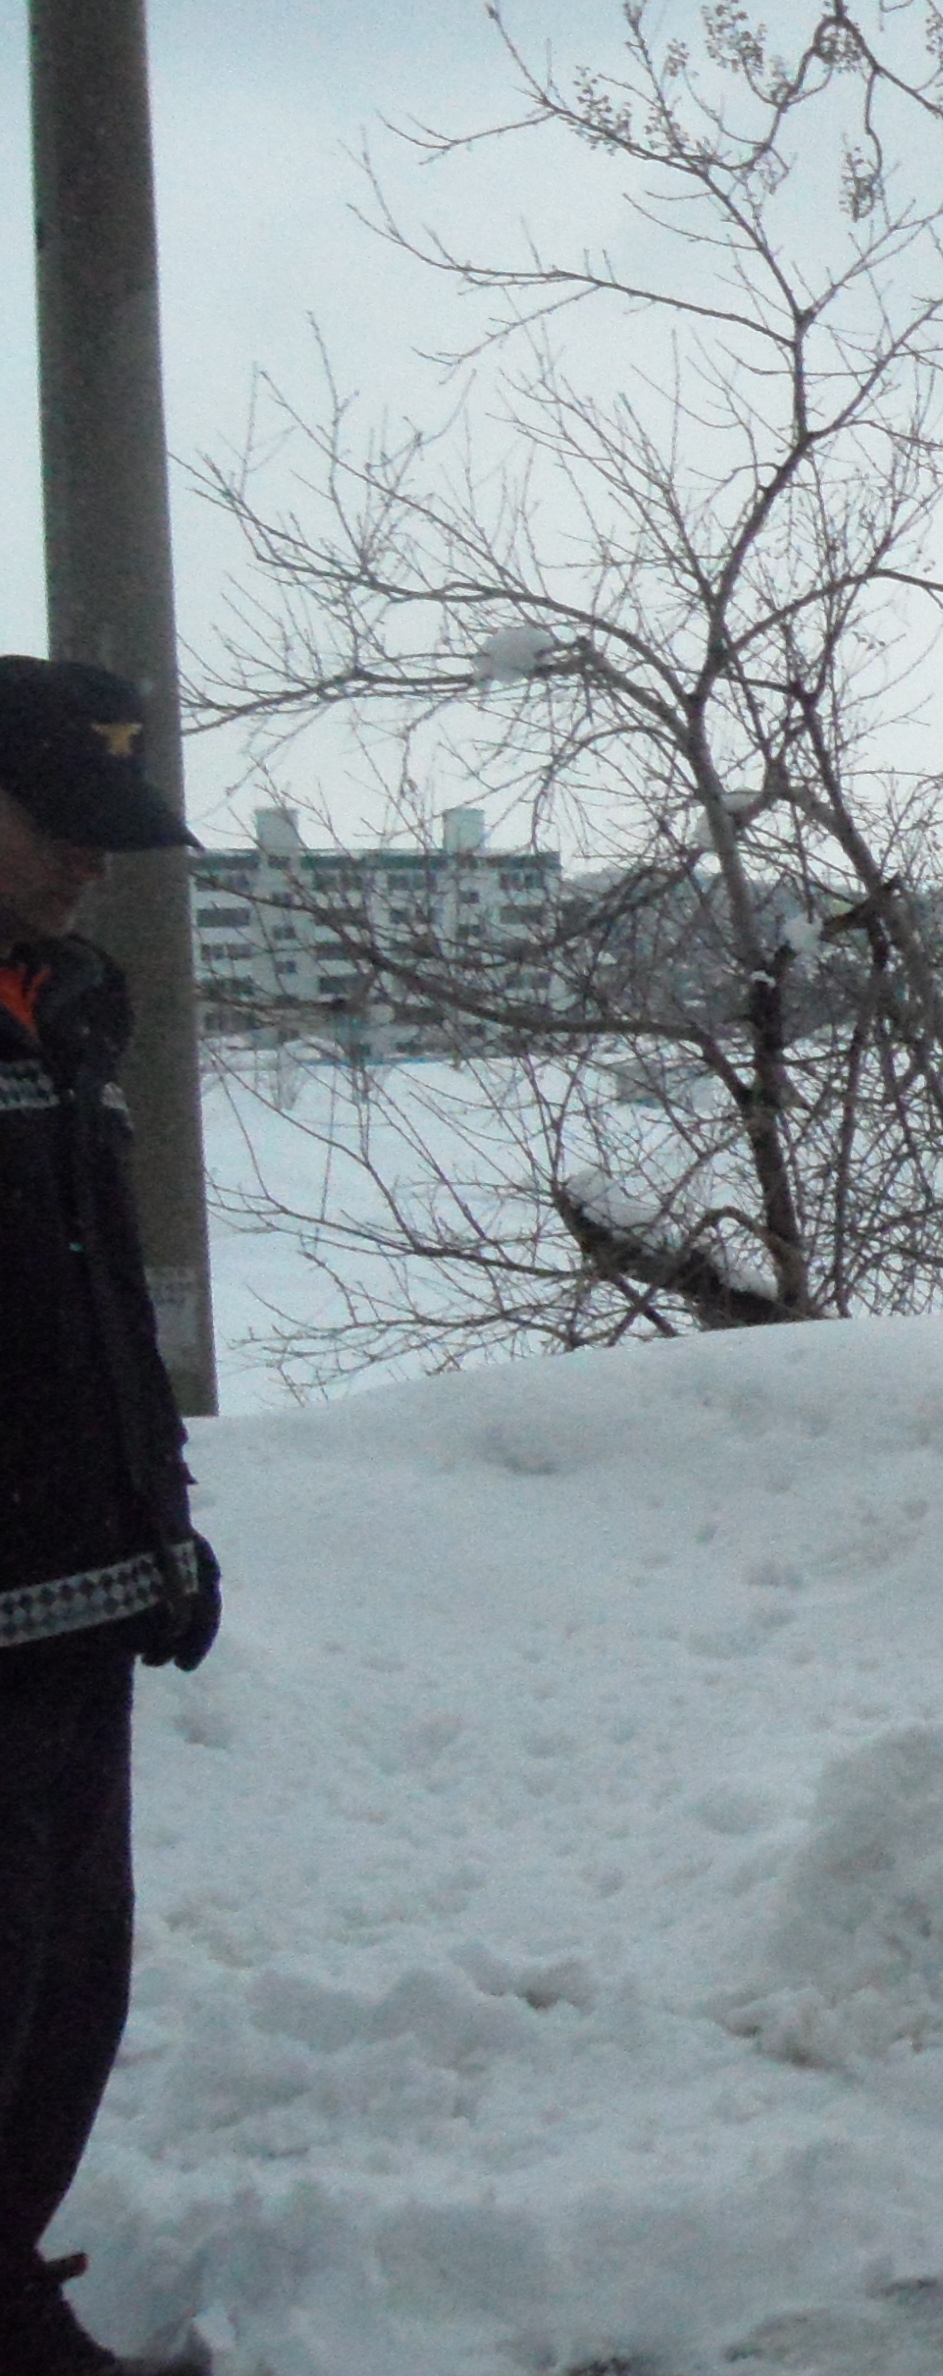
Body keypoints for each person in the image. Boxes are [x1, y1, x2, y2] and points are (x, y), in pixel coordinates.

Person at [0, 657, 221, 2376]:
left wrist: (163, 1521)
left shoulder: (71, 1004)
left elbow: (94, 1311)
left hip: (78, 1601)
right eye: (60, 823)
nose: (92, 861)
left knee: (65, 1993)